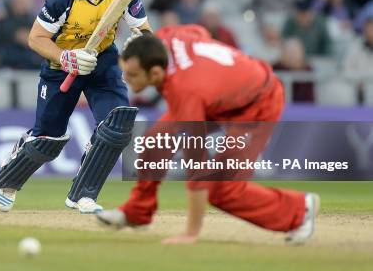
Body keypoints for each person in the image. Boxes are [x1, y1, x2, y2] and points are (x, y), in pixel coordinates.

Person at [96, 26, 320, 245]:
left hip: (258, 103)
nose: (125, 78)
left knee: (223, 190)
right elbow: (199, 33)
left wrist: (190, 233)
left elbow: (196, 167)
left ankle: (300, 210)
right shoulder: (166, 37)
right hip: (222, 96)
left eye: (132, 74)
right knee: (156, 142)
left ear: (155, 73)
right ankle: (137, 213)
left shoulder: (187, 91)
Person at [0, 0, 151, 213]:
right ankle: (9, 178)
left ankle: (83, 194)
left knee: (117, 124)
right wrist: (66, 58)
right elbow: (36, 39)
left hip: (102, 62)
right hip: (59, 67)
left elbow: (145, 31)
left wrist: (140, 42)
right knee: (48, 140)